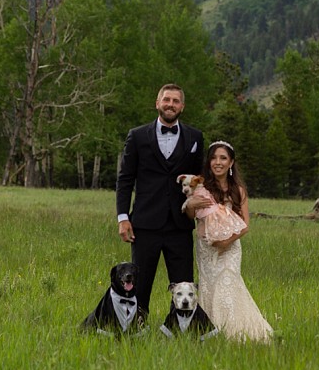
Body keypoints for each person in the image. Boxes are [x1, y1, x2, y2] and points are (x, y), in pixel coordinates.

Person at [116, 83, 205, 315]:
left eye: (176, 101)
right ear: (157, 103)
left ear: (182, 106)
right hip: (144, 224)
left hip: (180, 225)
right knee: (140, 282)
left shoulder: (195, 137)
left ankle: (180, 330)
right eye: (166, 100)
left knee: (184, 285)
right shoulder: (136, 136)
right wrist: (123, 217)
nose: (170, 104)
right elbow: (125, 179)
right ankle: (137, 327)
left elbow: (200, 181)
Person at [188, 140, 273, 343]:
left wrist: (228, 241)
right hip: (205, 246)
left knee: (227, 284)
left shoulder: (238, 190)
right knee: (209, 286)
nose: (218, 162)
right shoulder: (201, 187)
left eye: (223, 158)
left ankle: (235, 331)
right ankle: (210, 331)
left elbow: (245, 224)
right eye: (214, 158)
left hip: (230, 248)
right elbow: (190, 216)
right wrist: (191, 204)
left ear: (231, 162)